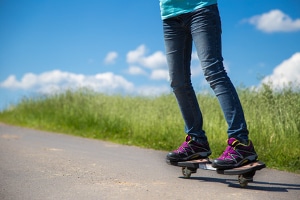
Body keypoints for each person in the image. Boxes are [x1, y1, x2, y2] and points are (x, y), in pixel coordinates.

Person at [159, 0, 257, 169]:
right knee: (178, 81)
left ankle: (241, 144)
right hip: (170, 15)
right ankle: (196, 142)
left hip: (200, 9)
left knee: (214, 72)